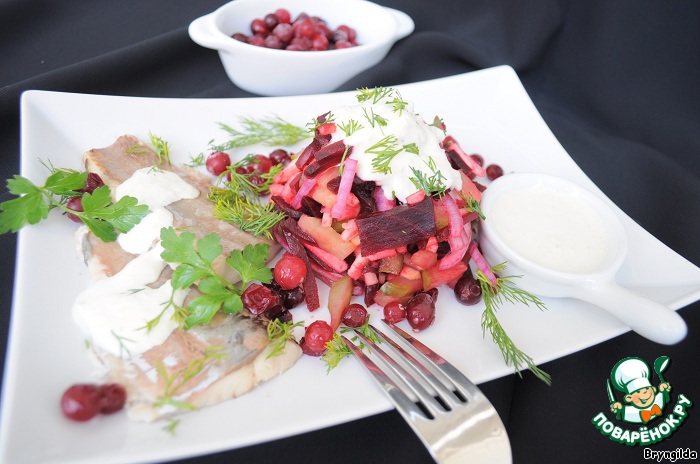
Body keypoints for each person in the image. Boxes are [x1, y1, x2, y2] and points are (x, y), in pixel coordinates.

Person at [609, 357, 671, 424]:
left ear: (654, 389)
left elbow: (664, 396)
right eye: (638, 392)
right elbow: (621, 413)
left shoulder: (659, 400)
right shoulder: (630, 412)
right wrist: (618, 409)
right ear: (629, 398)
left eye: (647, 389)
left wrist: (663, 389)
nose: (644, 393)